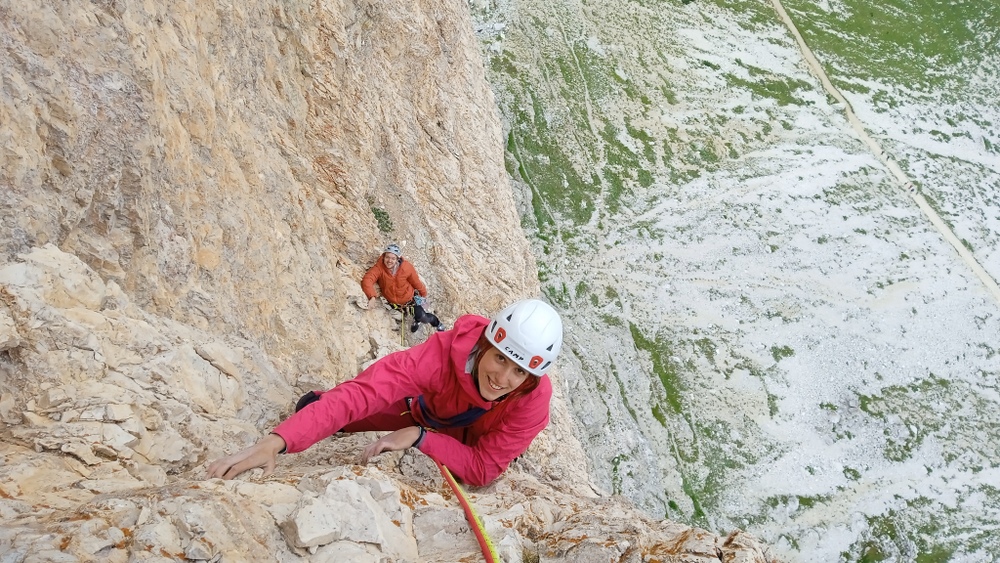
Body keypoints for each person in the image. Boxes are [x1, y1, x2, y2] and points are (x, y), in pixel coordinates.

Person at [206, 299, 563, 486]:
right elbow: (364, 393)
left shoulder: (532, 400)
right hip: (424, 411)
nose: (503, 377)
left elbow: (483, 467)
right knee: (314, 408)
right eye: (499, 358)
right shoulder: (440, 356)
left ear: (534, 375)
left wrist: (422, 439)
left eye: (521, 371)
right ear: (486, 343)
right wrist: (277, 441)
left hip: (444, 433)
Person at [362, 243, 445, 333]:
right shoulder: (379, 268)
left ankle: (437, 324)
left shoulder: (406, 268)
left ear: (398, 259)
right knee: (400, 316)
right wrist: (372, 297)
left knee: (423, 317)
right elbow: (367, 280)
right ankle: (415, 319)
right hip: (394, 304)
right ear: (383, 257)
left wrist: (423, 294)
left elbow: (415, 282)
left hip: (410, 300)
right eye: (387, 257)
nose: (389, 261)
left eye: (393, 258)